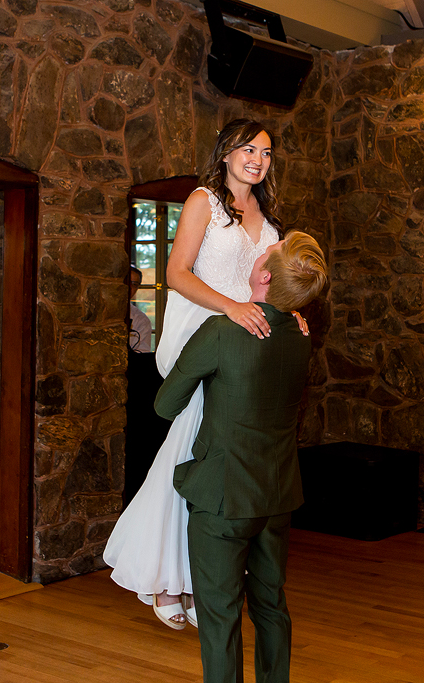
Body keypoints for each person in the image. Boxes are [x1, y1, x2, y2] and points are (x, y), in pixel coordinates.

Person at [104, 119, 287, 629]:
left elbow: (271, 281)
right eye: (247, 149)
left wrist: (287, 310)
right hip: (205, 330)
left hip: (247, 337)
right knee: (193, 446)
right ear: (226, 154)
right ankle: (164, 577)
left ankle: (189, 576)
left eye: (266, 152)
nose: (257, 159)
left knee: (215, 456)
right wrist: (230, 307)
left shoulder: (266, 214)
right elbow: (177, 274)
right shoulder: (203, 200)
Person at [155, 231, 328, 683]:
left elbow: (164, 405)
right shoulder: (301, 334)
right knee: (272, 607)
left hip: (224, 497)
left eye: (265, 254)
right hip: (277, 496)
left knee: (220, 617)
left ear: (264, 275)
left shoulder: (221, 331)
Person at [128, 266, 152, 352]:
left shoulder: (141, 320)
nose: (129, 287)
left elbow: (141, 353)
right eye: (127, 282)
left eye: (134, 284)